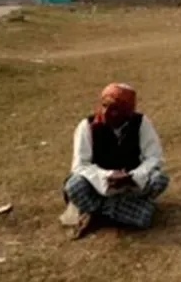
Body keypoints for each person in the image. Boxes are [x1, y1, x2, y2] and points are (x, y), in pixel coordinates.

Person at [61, 82, 169, 240]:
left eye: (115, 109)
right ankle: (126, 211)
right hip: (97, 186)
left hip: (130, 186)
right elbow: (80, 165)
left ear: (128, 111)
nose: (106, 112)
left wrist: (133, 177)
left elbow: (154, 158)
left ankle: (95, 213)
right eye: (104, 105)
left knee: (159, 179)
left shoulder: (141, 123)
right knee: (74, 185)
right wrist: (107, 177)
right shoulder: (87, 126)